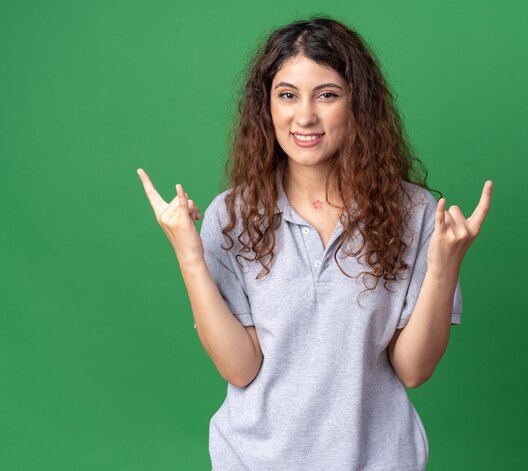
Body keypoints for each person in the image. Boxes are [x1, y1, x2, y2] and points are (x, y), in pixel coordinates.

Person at [137, 16, 492, 471]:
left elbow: (413, 370)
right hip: (254, 460)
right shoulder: (231, 215)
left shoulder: (417, 214)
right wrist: (190, 257)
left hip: (380, 460)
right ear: (266, 106)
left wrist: (444, 269)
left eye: (327, 95)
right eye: (287, 95)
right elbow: (240, 368)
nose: (304, 116)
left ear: (358, 104)